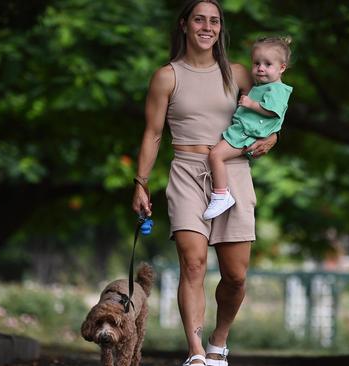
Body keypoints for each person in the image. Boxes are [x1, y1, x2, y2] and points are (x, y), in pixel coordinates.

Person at [130, 1, 278, 365]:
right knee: (193, 264)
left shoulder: (240, 74)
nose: (207, 27)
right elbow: (152, 133)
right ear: (184, 25)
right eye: (199, 19)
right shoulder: (167, 76)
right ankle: (195, 352)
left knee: (236, 276)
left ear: (220, 29)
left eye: (214, 21)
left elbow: (274, 108)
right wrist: (141, 183)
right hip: (185, 172)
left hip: (234, 172)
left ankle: (217, 341)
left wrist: (274, 138)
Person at [202, 36, 293, 220]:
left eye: (268, 64)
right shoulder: (264, 86)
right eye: (257, 63)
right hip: (243, 132)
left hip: (246, 135)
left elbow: (272, 111)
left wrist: (251, 104)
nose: (260, 68)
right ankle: (221, 193)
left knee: (216, 155)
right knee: (217, 154)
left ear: (282, 67)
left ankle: (221, 195)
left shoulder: (276, 89)